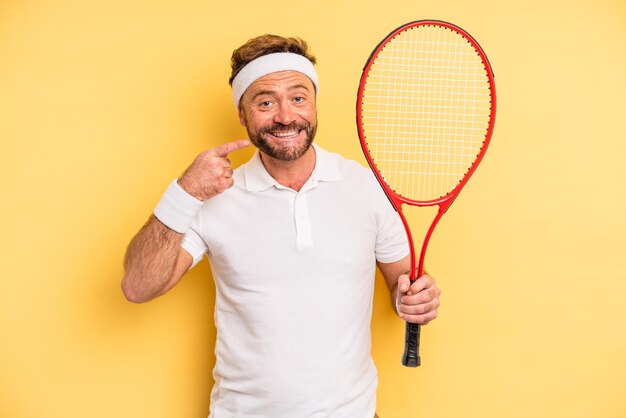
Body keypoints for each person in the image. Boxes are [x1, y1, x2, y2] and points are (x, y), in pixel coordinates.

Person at [121, 34, 441, 418]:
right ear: (242, 114)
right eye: (266, 102)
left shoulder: (366, 187)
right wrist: (185, 191)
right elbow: (138, 286)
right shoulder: (212, 196)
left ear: (315, 104)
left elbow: (399, 284)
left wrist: (413, 299)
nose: (286, 116)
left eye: (299, 97)